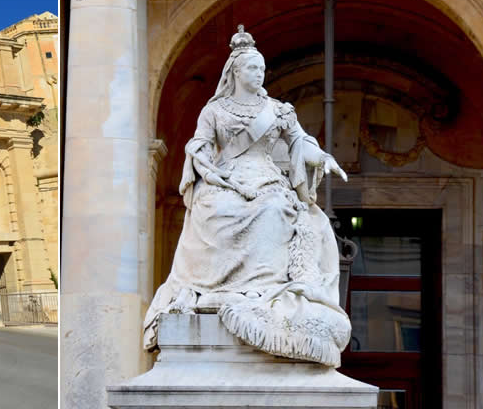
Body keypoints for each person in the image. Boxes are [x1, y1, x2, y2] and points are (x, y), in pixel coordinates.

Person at [143, 26, 352, 367]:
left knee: (273, 210)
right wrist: (204, 161)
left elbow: (299, 141)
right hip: (226, 179)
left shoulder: (278, 109)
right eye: (253, 68)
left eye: (262, 69)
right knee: (212, 209)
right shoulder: (215, 111)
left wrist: (321, 157)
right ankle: (215, 289)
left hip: (266, 178)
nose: (259, 74)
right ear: (236, 72)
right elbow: (202, 145)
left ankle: (261, 291)